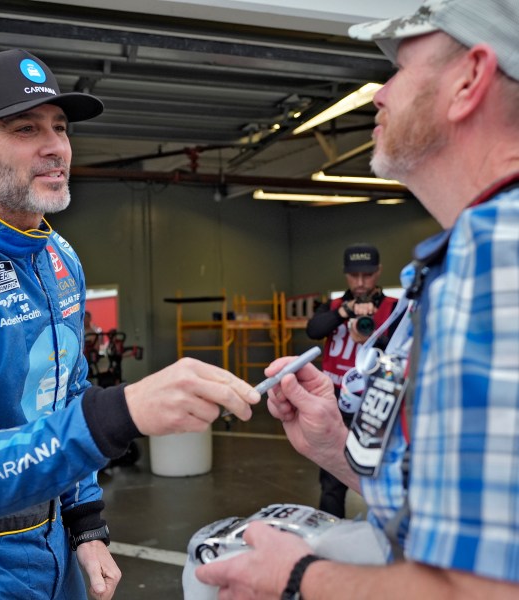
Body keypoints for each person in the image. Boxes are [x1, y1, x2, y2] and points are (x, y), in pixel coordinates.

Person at [196, 0, 519, 597]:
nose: (378, 94)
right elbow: (458, 529)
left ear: (470, 80)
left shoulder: (501, 260)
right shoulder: (469, 254)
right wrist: (338, 449)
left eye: (399, 67)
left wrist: (296, 578)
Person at [0, 48, 259, 599]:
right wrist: (122, 412)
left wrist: (87, 527)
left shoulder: (60, 258)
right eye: (26, 128)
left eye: (60, 127)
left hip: (56, 546)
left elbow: (66, 393)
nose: (55, 147)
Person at [306, 243, 397, 517]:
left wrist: (373, 339)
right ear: (346, 274)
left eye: (367, 275)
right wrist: (343, 313)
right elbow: (313, 330)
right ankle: (332, 541)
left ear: (378, 272)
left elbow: (404, 349)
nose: (360, 282)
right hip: (336, 401)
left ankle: (386, 541)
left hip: (377, 403)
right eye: (354, 275)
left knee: (383, 477)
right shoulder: (333, 306)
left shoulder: (394, 307)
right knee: (332, 480)